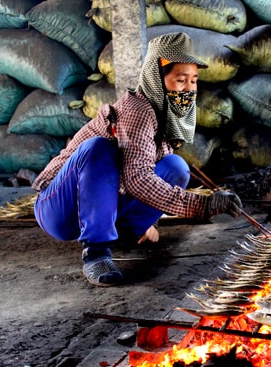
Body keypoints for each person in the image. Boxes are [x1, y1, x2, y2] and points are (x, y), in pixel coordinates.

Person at [31, 32, 243, 286]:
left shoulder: (163, 116)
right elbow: (137, 179)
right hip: (59, 210)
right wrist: (203, 205)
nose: (189, 88)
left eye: (193, 80)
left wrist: (145, 221)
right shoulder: (138, 110)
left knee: (176, 167)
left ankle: (126, 233)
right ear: (157, 79)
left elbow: (142, 172)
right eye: (180, 80)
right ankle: (96, 252)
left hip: (101, 203)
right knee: (98, 148)